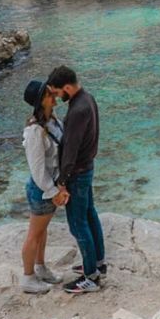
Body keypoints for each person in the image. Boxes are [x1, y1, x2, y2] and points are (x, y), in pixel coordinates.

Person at [50, 65, 105, 295]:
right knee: (90, 214)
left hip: (78, 174)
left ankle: (91, 276)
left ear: (68, 88)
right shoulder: (88, 99)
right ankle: (98, 263)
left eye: (56, 92)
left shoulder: (77, 111)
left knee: (77, 224)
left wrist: (62, 181)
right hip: (87, 168)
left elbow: (70, 150)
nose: (55, 97)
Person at [19, 79, 65, 295]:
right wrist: (54, 192)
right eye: (49, 93)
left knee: (42, 231)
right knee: (34, 234)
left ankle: (40, 267)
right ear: (42, 100)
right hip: (42, 190)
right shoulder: (35, 132)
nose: (54, 94)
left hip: (48, 187)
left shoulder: (51, 120)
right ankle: (28, 278)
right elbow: (38, 170)